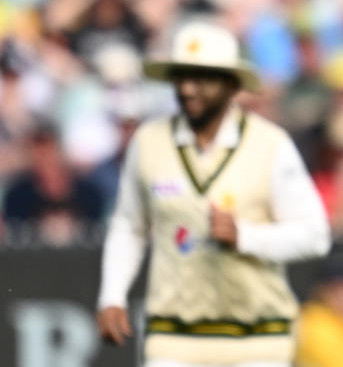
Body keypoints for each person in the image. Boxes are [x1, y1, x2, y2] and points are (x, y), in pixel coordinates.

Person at [96, 20, 331, 367]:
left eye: (202, 78)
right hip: (173, 334)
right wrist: (111, 296)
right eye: (181, 76)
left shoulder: (271, 145)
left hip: (258, 336)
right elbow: (128, 226)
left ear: (232, 84)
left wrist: (245, 236)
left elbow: (315, 236)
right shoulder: (148, 142)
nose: (188, 89)